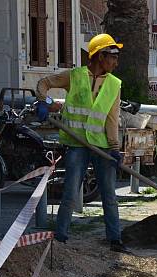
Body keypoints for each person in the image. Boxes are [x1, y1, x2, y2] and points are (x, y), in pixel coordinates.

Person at [36, 33, 129, 253]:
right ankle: (60, 238)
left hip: (101, 145)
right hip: (76, 144)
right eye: (113, 56)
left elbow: (111, 119)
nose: (116, 61)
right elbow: (43, 83)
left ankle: (115, 240)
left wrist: (115, 149)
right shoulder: (75, 76)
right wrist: (44, 102)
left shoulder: (114, 85)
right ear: (99, 56)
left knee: (109, 194)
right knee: (70, 192)